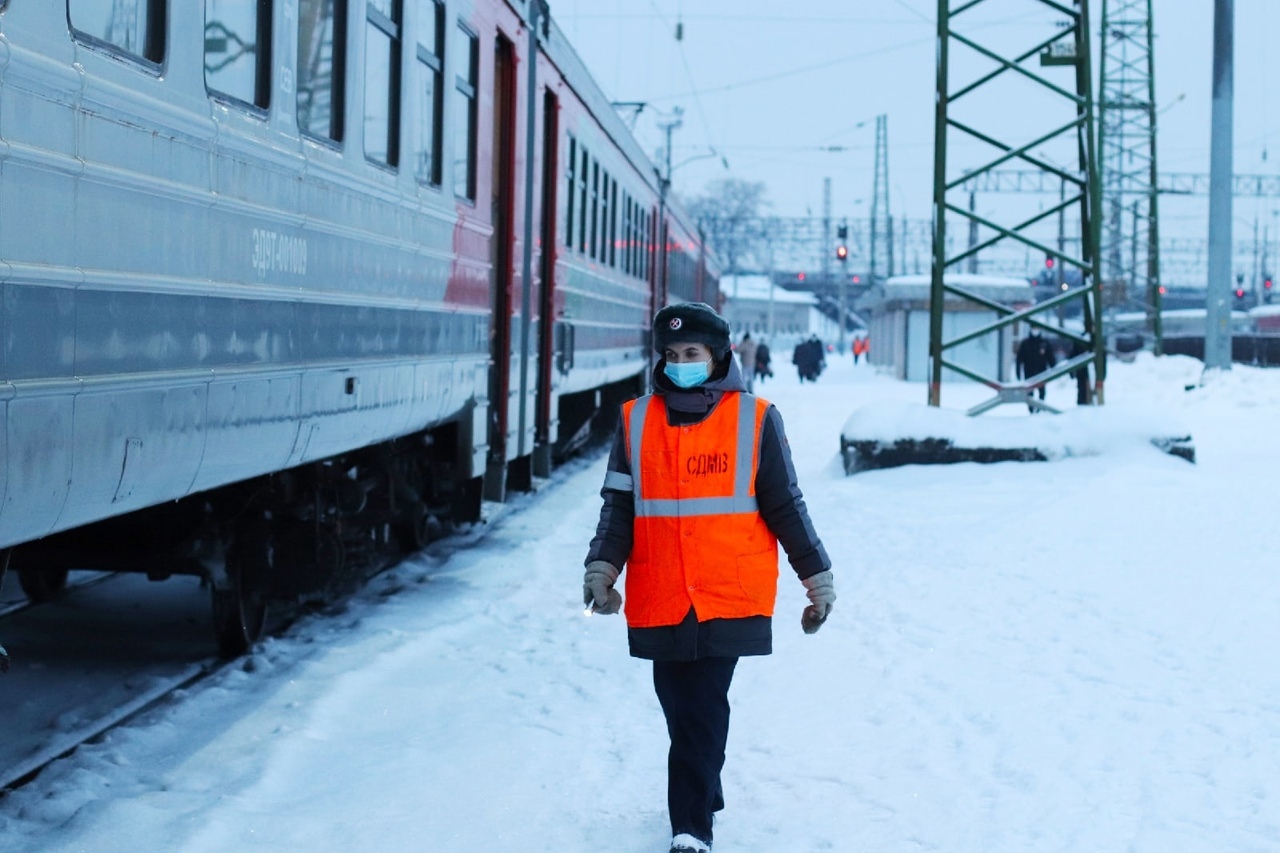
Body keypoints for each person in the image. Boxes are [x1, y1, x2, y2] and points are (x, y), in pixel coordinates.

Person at [583, 302, 835, 853]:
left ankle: (690, 829)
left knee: (701, 704)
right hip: (661, 592)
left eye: (691, 354)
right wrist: (602, 565)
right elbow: (618, 507)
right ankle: (704, 781)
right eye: (670, 356)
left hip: (729, 592)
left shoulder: (756, 418)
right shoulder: (635, 420)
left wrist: (816, 579)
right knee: (680, 706)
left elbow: (785, 506)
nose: (679, 364)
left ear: (718, 357)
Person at [1015, 330, 1057, 413]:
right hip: (1028, 372)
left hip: (1042, 372)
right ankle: (1031, 409)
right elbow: (1019, 359)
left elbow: (1051, 358)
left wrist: (1054, 370)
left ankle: (1040, 409)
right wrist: (1018, 372)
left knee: (1042, 391)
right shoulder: (1025, 343)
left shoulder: (1044, 343)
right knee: (1029, 392)